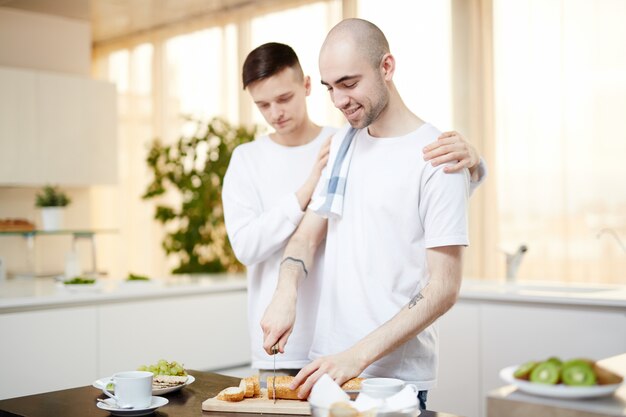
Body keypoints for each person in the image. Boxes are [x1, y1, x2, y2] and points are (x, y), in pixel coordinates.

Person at [222, 42, 484, 385]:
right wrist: (286, 290)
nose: (340, 100)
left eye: (349, 83)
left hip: (383, 372)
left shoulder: (427, 153)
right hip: (324, 358)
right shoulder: (344, 143)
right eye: (333, 88)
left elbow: (443, 285)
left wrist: (474, 162)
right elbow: (302, 237)